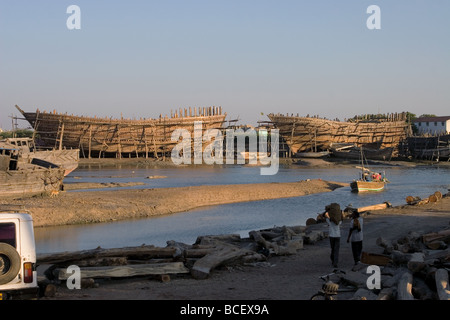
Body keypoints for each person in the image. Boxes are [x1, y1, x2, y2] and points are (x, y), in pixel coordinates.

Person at [323, 203, 343, 270]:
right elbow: (341, 219)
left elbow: (324, 216)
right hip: (337, 236)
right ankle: (335, 263)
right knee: (336, 250)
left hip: (332, 236)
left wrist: (327, 210)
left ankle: (333, 261)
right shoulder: (338, 223)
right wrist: (340, 213)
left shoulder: (330, 222)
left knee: (333, 249)